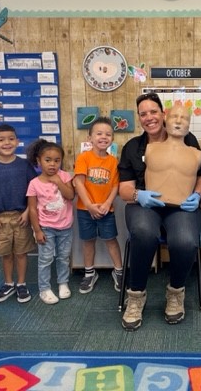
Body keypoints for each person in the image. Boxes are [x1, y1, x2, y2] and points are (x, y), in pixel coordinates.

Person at [118, 94, 201, 331]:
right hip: (144, 205)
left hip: (180, 206)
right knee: (143, 232)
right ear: (139, 118)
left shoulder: (189, 142)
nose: (149, 117)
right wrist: (140, 195)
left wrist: (197, 195)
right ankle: (136, 295)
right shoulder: (133, 148)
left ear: (162, 114)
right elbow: (124, 189)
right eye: (143, 113)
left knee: (186, 240)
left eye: (153, 111)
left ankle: (176, 292)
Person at [0, 124, 37, 304]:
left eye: (11, 139)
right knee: (6, 253)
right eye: (1, 139)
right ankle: (8, 283)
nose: (7, 143)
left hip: (21, 215)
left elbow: (33, 190)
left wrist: (28, 212)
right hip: (0, 217)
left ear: (17, 142)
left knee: (21, 252)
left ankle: (21, 283)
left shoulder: (24, 165)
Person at [73, 117, 123, 294]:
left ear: (112, 138)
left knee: (111, 239)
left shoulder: (113, 162)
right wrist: (89, 205)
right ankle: (89, 273)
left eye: (108, 134)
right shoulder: (83, 158)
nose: (104, 137)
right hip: (85, 209)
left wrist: (107, 203)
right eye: (99, 133)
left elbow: (116, 186)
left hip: (106, 210)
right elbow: (78, 182)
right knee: (88, 241)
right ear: (90, 138)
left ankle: (118, 272)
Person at [27, 139, 75, 305]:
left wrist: (59, 182)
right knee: (45, 259)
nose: (52, 164)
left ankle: (63, 283)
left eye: (57, 160)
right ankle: (44, 288)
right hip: (46, 227)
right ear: (39, 161)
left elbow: (70, 195)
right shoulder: (34, 183)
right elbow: (32, 209)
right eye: (48, 160)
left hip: (65, 227)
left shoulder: (64, 176)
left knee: (63, 257)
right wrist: (37, 230)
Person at [145, 105, 201, 205]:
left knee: (186, 221)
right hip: (153, 204)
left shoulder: (196, 154)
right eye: (174, 116)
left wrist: (198, 194)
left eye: (184, 118)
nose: (178, 121)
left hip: (183, 207)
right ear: (165, 120)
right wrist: (137, 195)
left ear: (189, 125)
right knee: (142, 221)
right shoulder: (151, 148)